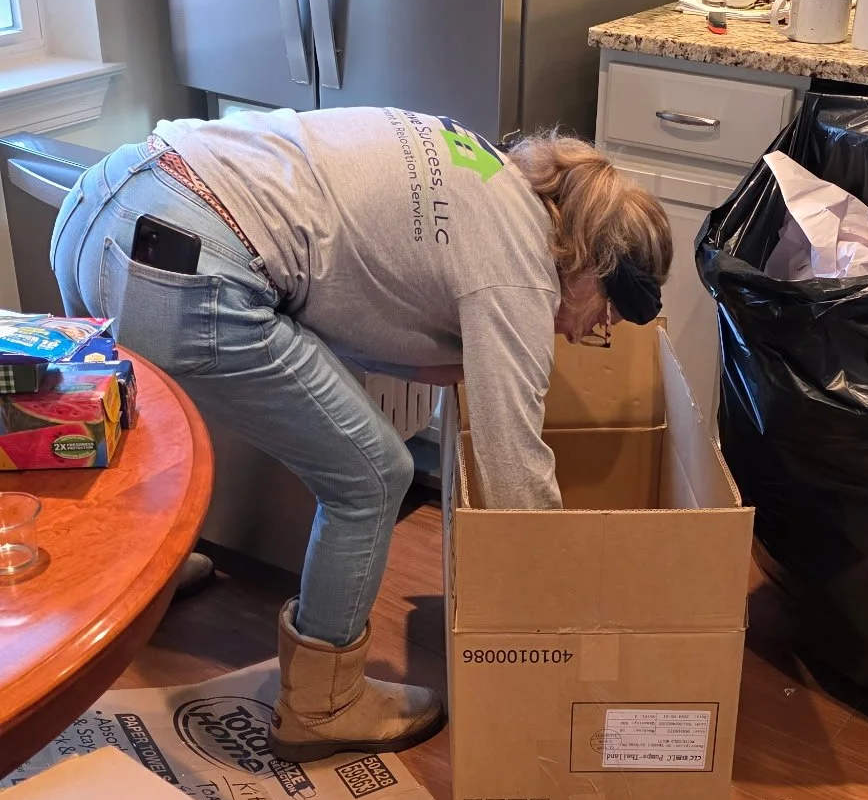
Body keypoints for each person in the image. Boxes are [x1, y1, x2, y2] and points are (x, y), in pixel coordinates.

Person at [51, 107, 671, 758]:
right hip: (185, 260)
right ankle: (324, 704)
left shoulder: (490, 177)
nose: (589, 332)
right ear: (590, 264)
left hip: (103, 204)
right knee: (374, 476)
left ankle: (134, 585)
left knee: (134, 418)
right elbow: (515, 475)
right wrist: (591, 609)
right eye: (606, 312)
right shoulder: (518, 269)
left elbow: (355, 306)